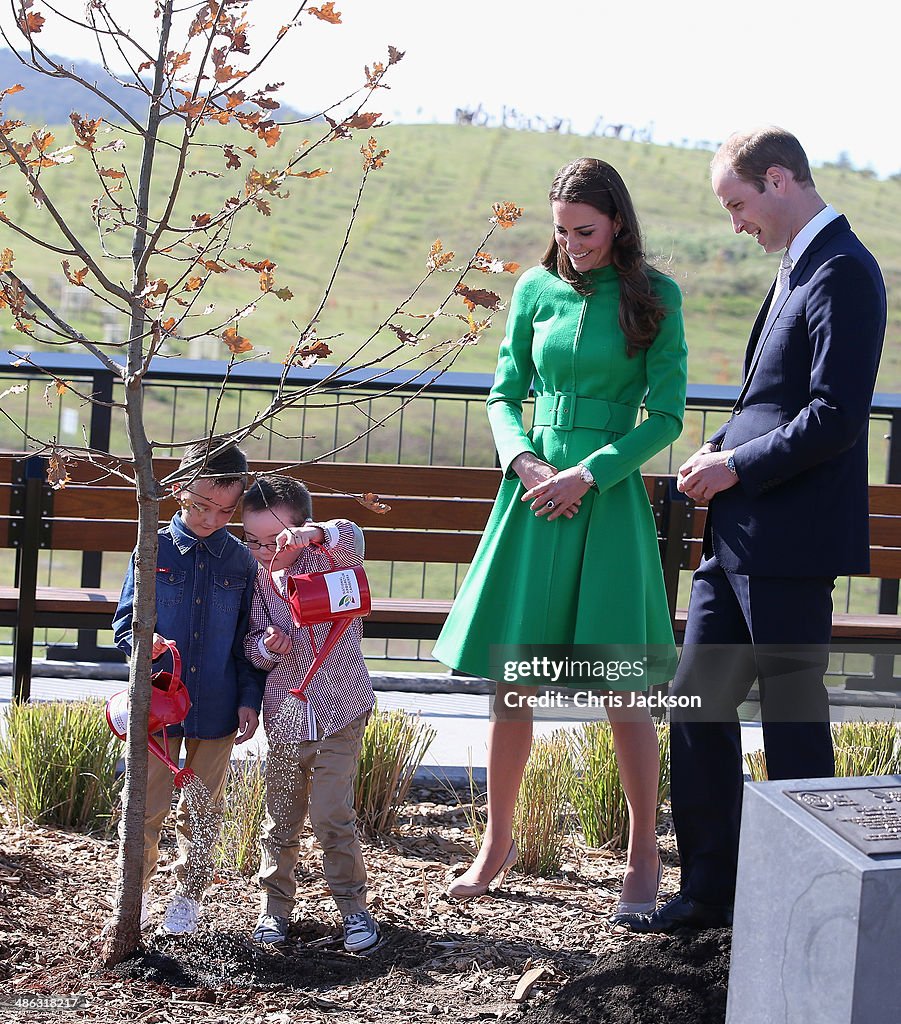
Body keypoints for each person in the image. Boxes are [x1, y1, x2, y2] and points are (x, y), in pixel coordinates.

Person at [616, 127, 887, 934]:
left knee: (792, 724)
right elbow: (773, 401)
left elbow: (836, 416)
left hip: (789, 542)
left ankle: (810, 903)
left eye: (736, 204)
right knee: (697, 705)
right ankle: (708, 893)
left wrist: (736, 465)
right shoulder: (798, 265)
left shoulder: (844, 268)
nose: (735, 221)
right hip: (735, 539)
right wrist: (722, 446)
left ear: (778, 179)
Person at [432, 157, 687, 910]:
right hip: (532, 496)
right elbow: (504, 390)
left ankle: (643, 856)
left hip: (603, 505)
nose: (572, 243)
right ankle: (496, 842)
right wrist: (521, 458)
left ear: (616, 223)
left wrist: (592, 473)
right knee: (511, 684)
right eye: (561, 231)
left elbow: (667, 416)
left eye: (586, 230)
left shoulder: (656, 296)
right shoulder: (534, 289)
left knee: (622, 687)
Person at [112, 442, 263, 935]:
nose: (212, 518)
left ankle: (188, 898)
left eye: (225, 510)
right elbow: (123, 623)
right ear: (178, 490)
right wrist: (143, 641)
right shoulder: (150, 547)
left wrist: (248, 699)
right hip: (156, 707)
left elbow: (247, 639)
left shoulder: (240, 562)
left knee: (203, 809)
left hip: (217, 705)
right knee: (146, 806)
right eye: (201, 505)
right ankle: (131, 896)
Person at [241, 475, 379, 953]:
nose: (263, 550)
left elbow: (353, 535)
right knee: (280, 819)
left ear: (301, 530)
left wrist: (314, 536)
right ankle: (273, 911)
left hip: (341, 709)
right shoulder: (256, 580)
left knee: (330, 814)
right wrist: (265, 647)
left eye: (274, 539)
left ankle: (354, 908)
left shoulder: (328, 557)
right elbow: (251, 645)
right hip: (285, 716)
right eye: (252, 540)